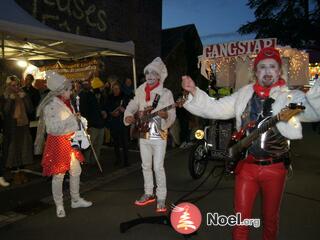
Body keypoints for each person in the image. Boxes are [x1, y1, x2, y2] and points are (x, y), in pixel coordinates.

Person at [181, 47, 320, 240]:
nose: (267, 71)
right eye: (262, 67)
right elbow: (215, 107)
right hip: (246, 167)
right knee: (240, 220)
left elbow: (312, 110)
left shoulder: (289, 97)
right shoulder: (243, 94)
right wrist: (195, 91)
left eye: (272, 66)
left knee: (270, 220)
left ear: (279, 71)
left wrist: (316, 95)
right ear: (256, 72)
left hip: (275, 168)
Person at [35, 71, 92, 218]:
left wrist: (80, 121)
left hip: (70, 141)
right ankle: (59, 205)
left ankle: (75, 199)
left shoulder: (67, 102)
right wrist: (73, 121)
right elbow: (53, 128)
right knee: (59, 174)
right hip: (58, 143)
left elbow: (73, 120)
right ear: (60, 91)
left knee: (76, 171)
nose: (71, 91)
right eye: (68, 89)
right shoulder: (50, 106)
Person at [124, 57, 176, 213]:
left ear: (159, 76)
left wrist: (166, 116)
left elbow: (172, 113)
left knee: (158, 166)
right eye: (148, 73)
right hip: (143, 132)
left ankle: (161, 197)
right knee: (145, 165)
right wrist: (128, 114)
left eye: (154, 73)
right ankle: (148, 192)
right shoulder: (140, 90)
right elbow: (132, 104)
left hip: (159, 133)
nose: (150, 76)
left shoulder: (166, 93)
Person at [3, 75, 34, 184]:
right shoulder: (6, 95)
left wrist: (25, 97)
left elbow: (30, 110)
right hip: (12, 127)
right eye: (13, 85)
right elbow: (5, 112)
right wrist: (10, 101)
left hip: (23, 125)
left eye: (17, 85)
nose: (16, 87)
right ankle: (15, 174)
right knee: (14, 151)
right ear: (8, 85)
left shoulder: (23, 93)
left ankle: (21, 173)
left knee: (24, 149)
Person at [106, 82, 130, 167]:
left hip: (122, 122)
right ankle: (118, 159)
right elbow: (107, 108)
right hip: (114, 122)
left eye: (117, 89)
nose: (115, 90)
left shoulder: (124, 97)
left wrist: (123, 110)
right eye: (114, 89)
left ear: (120, 89)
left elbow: (129, 109)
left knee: (124, 143)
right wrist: (111, 113)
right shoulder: (110, 97)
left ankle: (126, 161)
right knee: (116, 143)